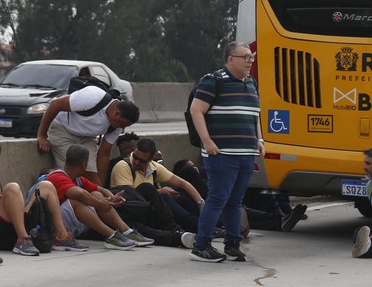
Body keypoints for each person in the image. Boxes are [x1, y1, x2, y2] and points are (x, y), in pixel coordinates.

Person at [188, 41, 264, 263]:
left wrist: (259, 139)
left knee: (235, 200)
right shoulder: (213, 80)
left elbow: (254, 113)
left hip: (246, 153)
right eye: (246, 57)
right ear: (231, 59)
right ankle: (201, 245)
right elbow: (196, 110)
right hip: (221, 153)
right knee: (218, 197)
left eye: (252, 57)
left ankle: (232, 244)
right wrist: (207, 141)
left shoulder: (251, 82)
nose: (250, 61)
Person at [44, 145, 154, 250]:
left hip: (70, 226)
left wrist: (112, 199)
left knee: (96, 194)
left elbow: (101, 190)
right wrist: (100, 204)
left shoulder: (77, 178)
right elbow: (79, 194)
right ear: (84, 164)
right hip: (52, 228)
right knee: (76, 201)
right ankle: (111, 235)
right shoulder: (57, 176)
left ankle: (127, 231)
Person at [36, 85, 140, 185]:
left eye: (125, 126)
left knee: (90, 174)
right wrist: (42, 135)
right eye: (122, 124)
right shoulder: (93, 96)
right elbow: (55, 104)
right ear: (117, 113)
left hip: (87, 137)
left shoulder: (117, 125)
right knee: (73, 171)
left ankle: (96, 196)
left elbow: (104, 153)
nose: (122, 128)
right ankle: (48, 174)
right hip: (63, 129)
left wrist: (100, 186)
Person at [108, 137, 197, 248]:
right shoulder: (123, 166)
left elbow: (183, 183)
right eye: (135, 157)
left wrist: (201, 203)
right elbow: (130, 197)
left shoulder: (153, 168)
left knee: (175, 192)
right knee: (140, 229)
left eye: (142, 161)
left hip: (146, 210)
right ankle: (179, 237)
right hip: (127, 211)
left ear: (150, 159)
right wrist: (160, 191)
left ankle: (183, 228)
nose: (137, 162)